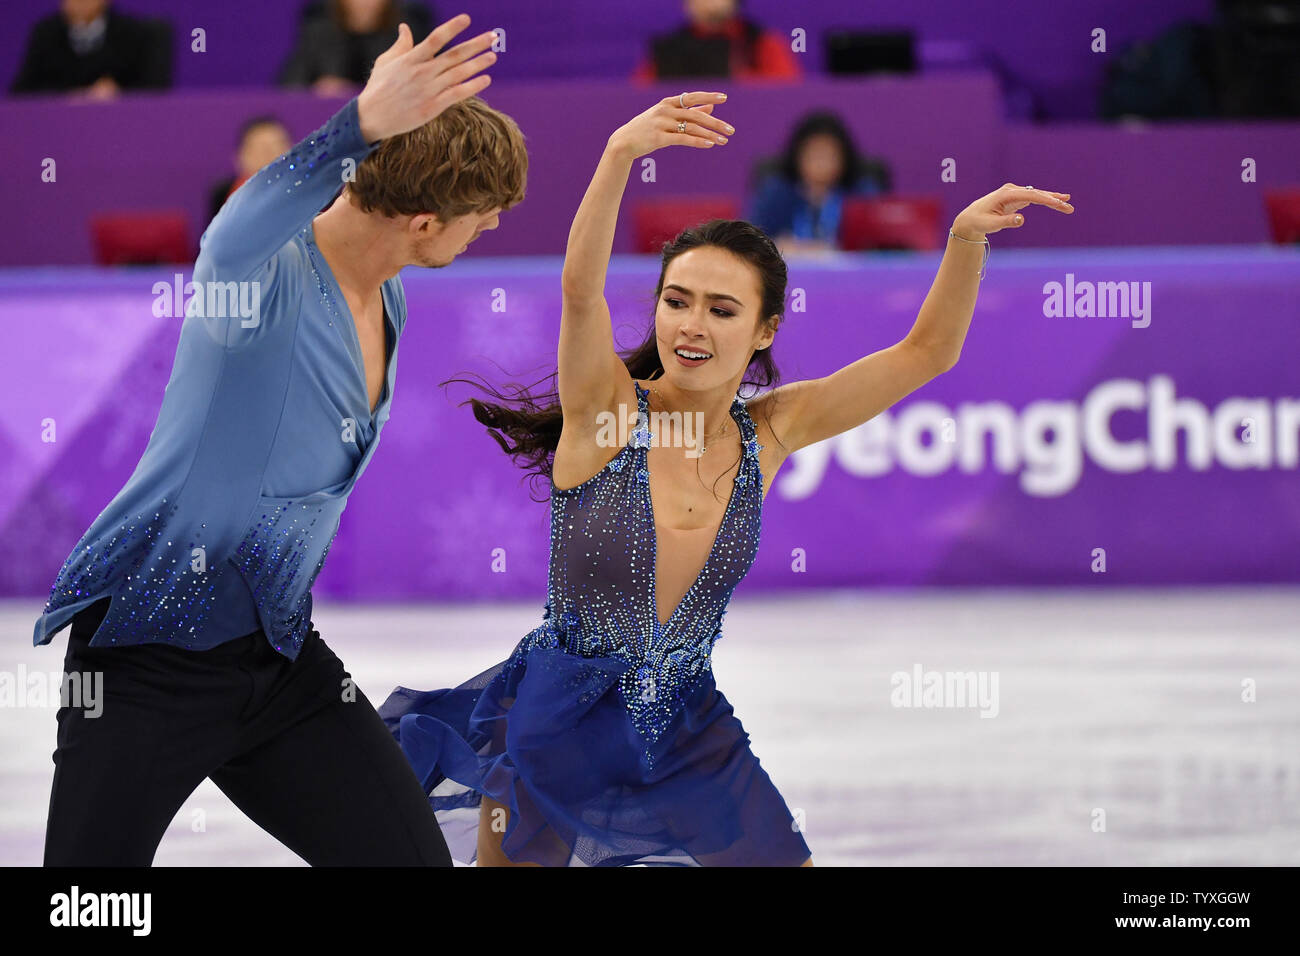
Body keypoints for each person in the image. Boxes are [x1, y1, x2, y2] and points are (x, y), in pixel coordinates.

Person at [378, 91, 1074, 866]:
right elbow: (580, 289)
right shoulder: (606, 410)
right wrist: (618, 155)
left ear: (765, 329)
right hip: (556, 723)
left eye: (720, 309)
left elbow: (926, 353)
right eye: (676, 301)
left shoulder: (771, 430)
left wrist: (965, 239)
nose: (691, 325)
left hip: (688, 728)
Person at [34, 14, 526, 867]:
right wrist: (359, 125)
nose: (488, 228)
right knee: (89, 910)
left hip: (279, 661)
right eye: (482, 216)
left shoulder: (389, 295)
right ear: (423, 222)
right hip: (145, 658)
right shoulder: (264, 277)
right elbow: (232, 230)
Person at [746, 110, 890, 255]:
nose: (821, 164)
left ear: (844, 158)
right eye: (814, 154)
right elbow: (751, 241)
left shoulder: (861, 193)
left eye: (829, 155)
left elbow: (879, 244)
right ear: (797, 156)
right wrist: (777, 245)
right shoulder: (776, 193)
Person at [10, 0, 171, 97]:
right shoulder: (46, 34)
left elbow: (152, 92)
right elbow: (22, 93)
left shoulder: (134, 34)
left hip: (119, 124)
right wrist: (70, 96)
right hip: (58, 127)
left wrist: (117, 92)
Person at [280, 0, 435, 95]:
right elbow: (290, 86)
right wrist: (316, 89)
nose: (364, 2)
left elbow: (428, 83)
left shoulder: (408, 31)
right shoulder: (318, 32)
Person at [633, 0, 801, 83]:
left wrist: (736, 78)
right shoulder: (668, 49)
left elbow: (786, 91)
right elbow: (640, 94)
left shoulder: (763, 42)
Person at [207, 116, 293, 225]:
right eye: (263, 149)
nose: (273, 156)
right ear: (241, 156)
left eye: (278, 146)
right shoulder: (224, 197)